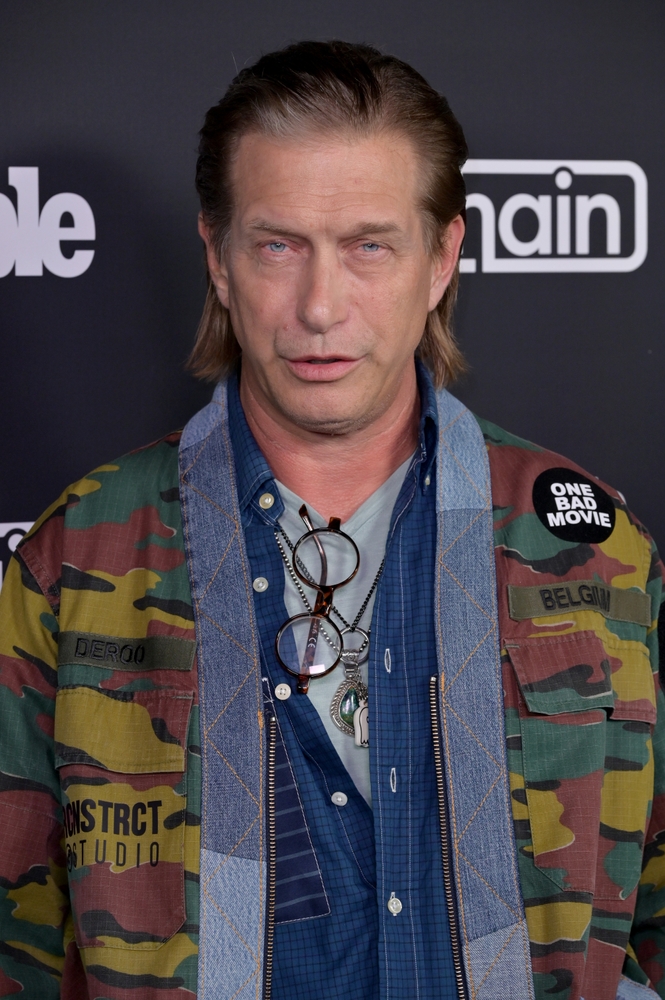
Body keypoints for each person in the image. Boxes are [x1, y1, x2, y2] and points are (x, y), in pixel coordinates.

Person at [0, 40, 663, 1000]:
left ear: (441, 259)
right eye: (278, 245)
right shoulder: (78, 553)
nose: (318, 306)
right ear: (218, 261)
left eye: (367, 246)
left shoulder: (591, 549)